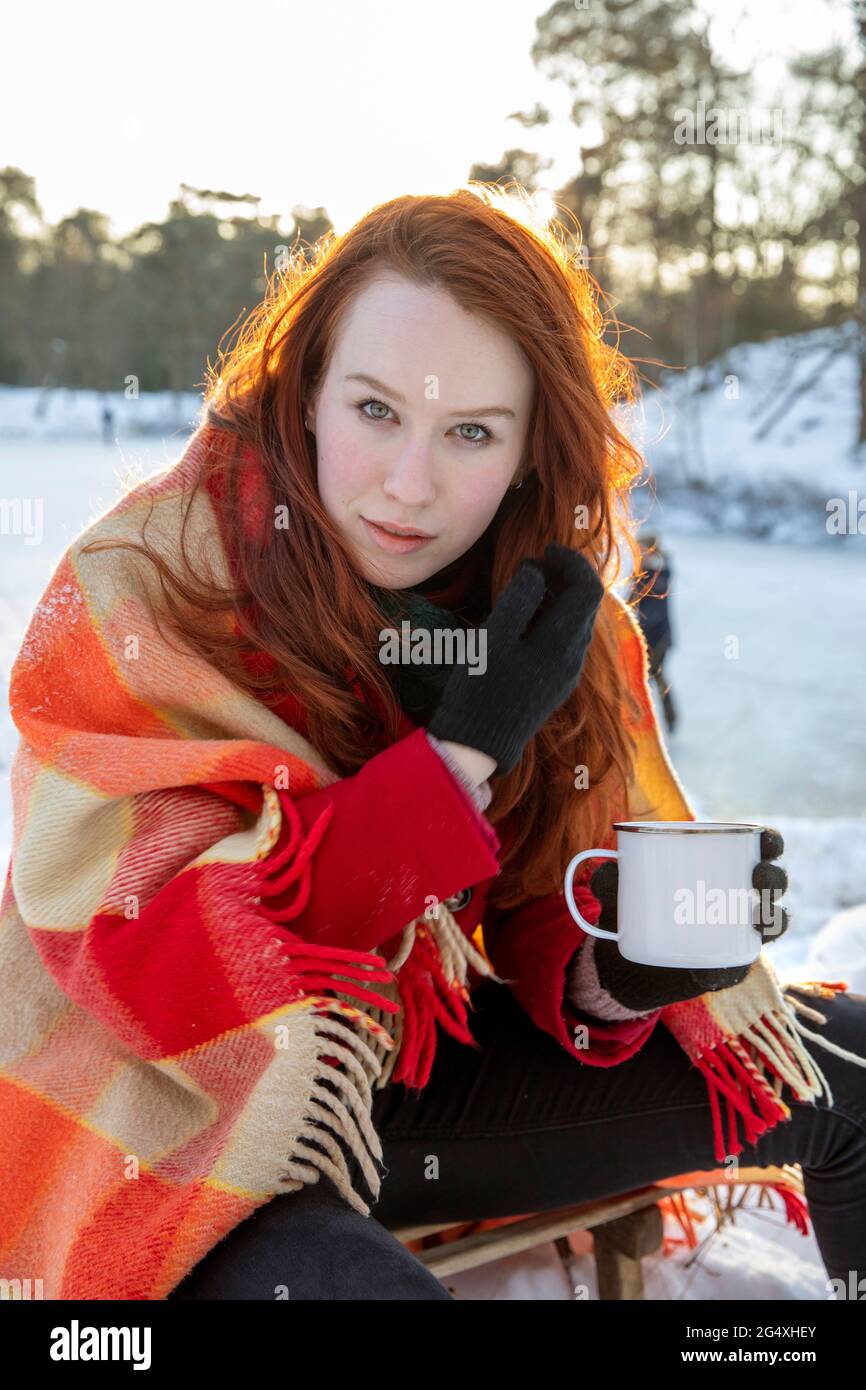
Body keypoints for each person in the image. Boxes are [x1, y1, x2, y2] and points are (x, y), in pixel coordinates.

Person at [2, 187, 865, 1302]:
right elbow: (150, 945)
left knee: (851, 1065)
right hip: (166, 1098)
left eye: (468, 432)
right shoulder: (148, 589)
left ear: (526, 449)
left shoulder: (544, 610)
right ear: (306, 390)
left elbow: (534, 909)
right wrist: (455, 759)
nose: (410, 487)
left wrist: (618, 970)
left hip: (402, 1077)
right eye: (373, 412)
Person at [628, 531, 676, 733]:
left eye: (640, 550)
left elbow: (650, 611)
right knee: (652, 680)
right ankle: (665, 720)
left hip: (657, 639)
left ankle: (648, 726)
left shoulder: (656, 577)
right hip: (650, 638)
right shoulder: (647, 574)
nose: (637, 553)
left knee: (647, 681)